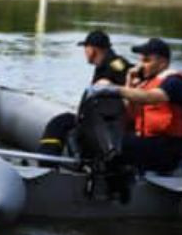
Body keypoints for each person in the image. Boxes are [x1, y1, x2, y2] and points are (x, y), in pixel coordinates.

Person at [38, 30, 131, 160]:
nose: (84, 53)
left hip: (104, 125)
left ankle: (47, 163)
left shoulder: (114, 66)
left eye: (86, 48)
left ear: (93, 49)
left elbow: (128, 82)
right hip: (98, 120)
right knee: (63, 121)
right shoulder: (108, 64)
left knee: (59, 123)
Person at [111, 37, 182, 172]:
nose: (140, 65)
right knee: (107, 137)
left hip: (168, 148)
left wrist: (115, 90)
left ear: (162, 63)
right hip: (151, 142)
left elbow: (150, 97)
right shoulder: (146, 83)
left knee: (114, 145)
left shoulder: (174, 82)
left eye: (147, 60)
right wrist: (128, 83)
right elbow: (129, 113)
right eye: (141, 60)